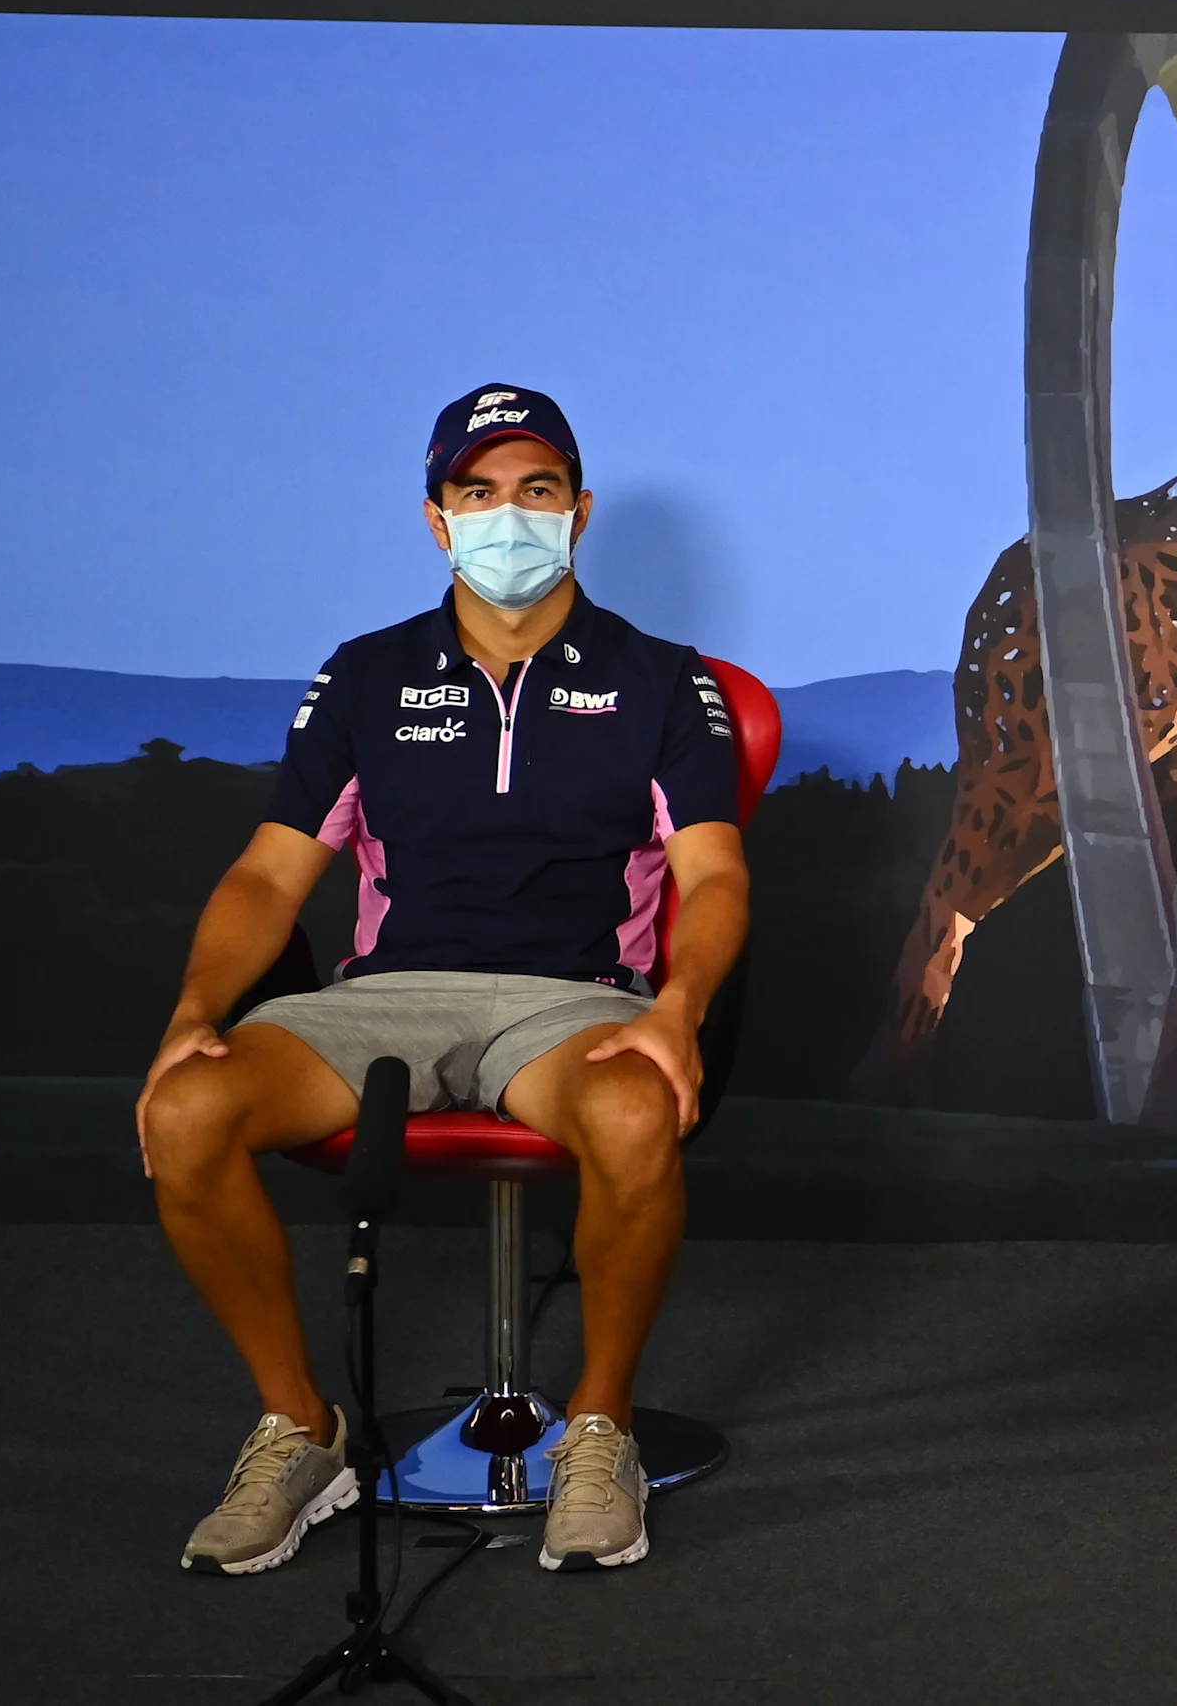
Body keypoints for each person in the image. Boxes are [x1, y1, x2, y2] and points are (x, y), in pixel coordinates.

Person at [135, 384, 747, 1577]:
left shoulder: (664, 679)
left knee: (631, 1112)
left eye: (535, 491)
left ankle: (600, 1429)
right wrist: (191, 1019)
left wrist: (677, 1012)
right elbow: (268, 878)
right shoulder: (364, 676)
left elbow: (712, 876)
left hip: (574, 999)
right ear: (435, 519)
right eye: (478, 494)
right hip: (383, 996)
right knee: (186, 1107)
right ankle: (300, 1430)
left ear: (578, 510)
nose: (506, 518)